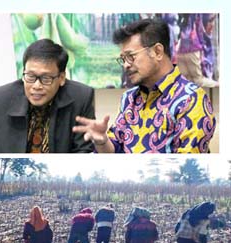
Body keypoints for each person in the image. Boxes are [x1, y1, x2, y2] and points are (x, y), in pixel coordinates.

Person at [74, 18, 216, 153]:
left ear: (157, 52)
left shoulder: (191, 99)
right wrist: (102, 141)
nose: (126, 65)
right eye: (123, 59)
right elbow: (114, 152)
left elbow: (188, 169)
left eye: (131, 56)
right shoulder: (129, 98)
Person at [0, 39, 95, 153]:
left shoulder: (81, 98)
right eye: (30, 76)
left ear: (62, 78)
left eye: (46, 78)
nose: (36, 85)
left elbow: (84, 151)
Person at [176, 14, 218, 89]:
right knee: (198, 80)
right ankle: (219, 85)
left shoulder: (179, 16)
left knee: (185, 80)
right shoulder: (196, 16)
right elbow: (200, 31)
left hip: (180, 50)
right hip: (193, 47)